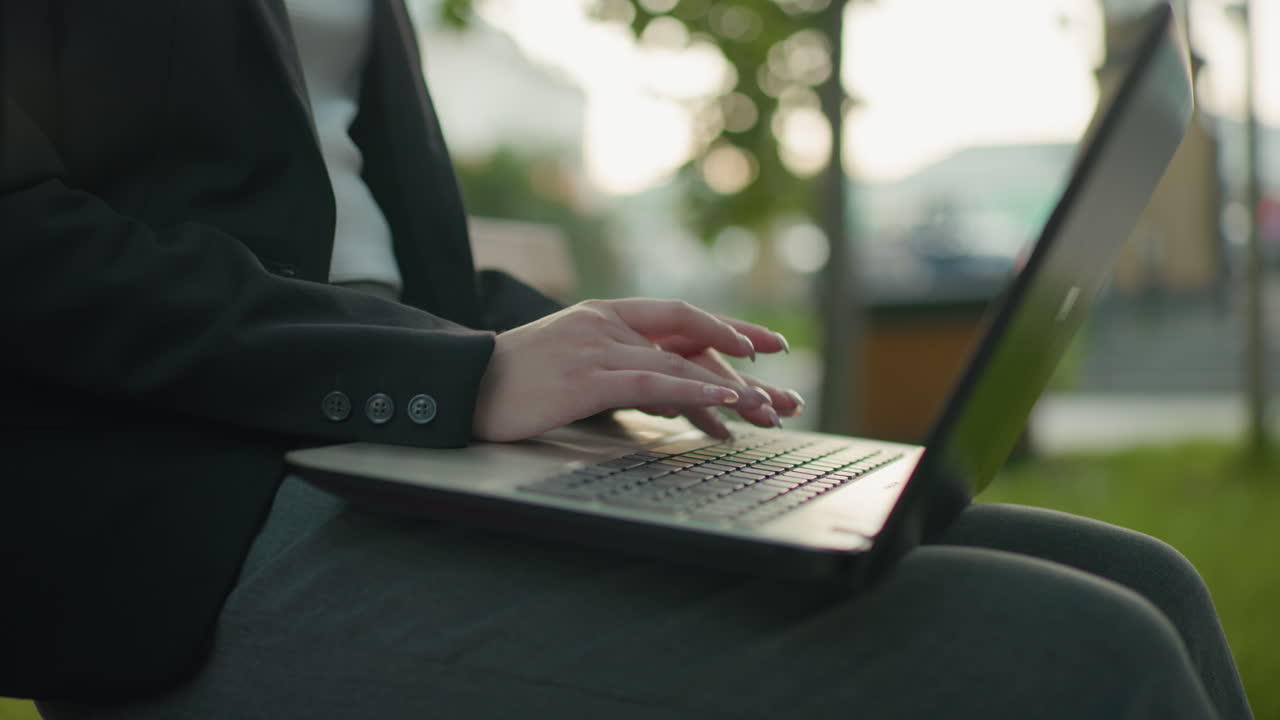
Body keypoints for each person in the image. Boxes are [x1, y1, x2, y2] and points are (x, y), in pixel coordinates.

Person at [0, 1, 1252, 718]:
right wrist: (461, 376)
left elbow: (365, 252)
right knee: (1078, 658)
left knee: (1143, 579)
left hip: (397, 435)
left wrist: (589, 349)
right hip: (179, 503)